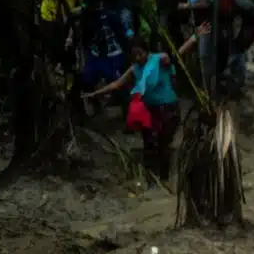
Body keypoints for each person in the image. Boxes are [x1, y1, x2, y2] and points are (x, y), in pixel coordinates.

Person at [83, 23, 208, 183]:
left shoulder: (159, 59)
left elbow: (178, 54)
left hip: (168, 109)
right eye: (134, 55)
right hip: (149, 111)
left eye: (140, 54)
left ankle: (164, 178)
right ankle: (151, 179)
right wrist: (94, 93)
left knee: (163, 143)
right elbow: (117, 84)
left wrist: (194, 37)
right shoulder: (134, 68)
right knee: (149, 144)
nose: (137, 58)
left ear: (146, 51)